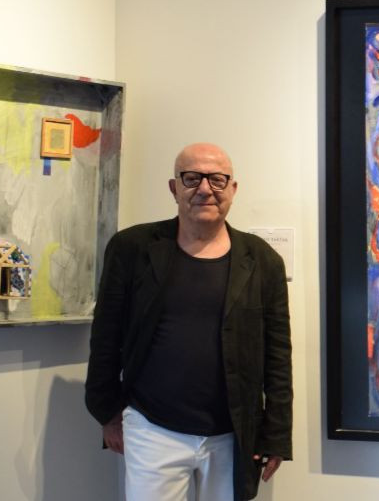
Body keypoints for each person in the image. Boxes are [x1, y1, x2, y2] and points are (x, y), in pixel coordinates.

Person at [85, 143, 292, 501]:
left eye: (217, 179)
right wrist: (107, 412)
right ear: (174, 187)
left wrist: (276, 434)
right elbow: (105, 336)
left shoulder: (263, 260)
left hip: (232, 435)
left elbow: (278, 355)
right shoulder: (132, 248)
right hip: (152, 429)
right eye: (192, 178)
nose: (205, 189)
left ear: (233, 188)